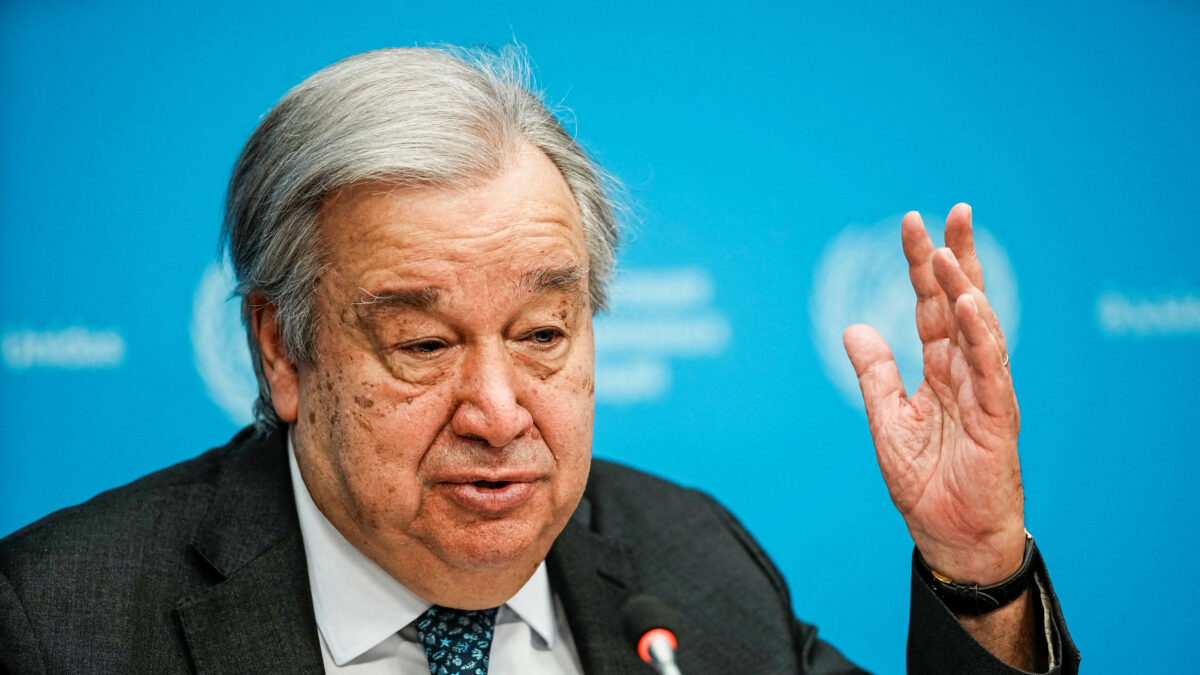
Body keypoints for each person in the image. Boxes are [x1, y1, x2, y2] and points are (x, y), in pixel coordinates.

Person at [0, 46, 1078, 674]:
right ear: (284, 351)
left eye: (543, 336)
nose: (498, 410)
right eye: (423, 343)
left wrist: (976, 568)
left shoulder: (689, 562)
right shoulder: (60, 627)